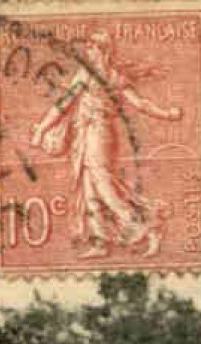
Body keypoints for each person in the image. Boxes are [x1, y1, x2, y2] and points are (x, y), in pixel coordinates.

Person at [29, 29, 184, 259]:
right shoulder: (86, 74)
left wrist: (167, 114)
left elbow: (139, 103)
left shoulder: (111, 76)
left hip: (100, 133)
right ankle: (100, 241)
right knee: (89, 186)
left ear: (103, 50)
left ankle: (148, 227)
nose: (88, 51)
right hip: (85, 132)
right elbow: (64, 105)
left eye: (92, 47)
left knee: (103, 185)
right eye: (88, 47)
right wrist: (42, 128)